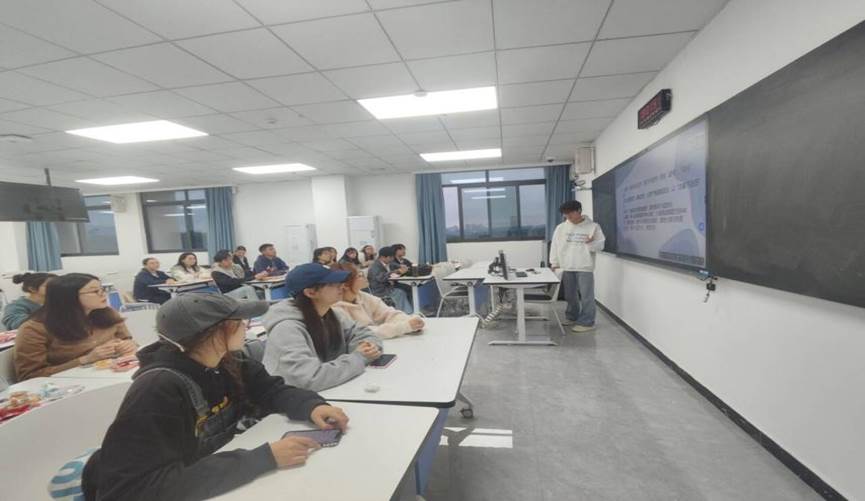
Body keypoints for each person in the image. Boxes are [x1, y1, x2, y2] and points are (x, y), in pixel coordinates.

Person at [81, 293, 349, 500]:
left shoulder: (227, 362)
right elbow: (137, 489)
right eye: (239, 322)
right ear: (214, 331)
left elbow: (271, 390)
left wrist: (311, 406)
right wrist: (262, 459)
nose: (246, 327)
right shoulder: (157, 390)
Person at [262, 263, 383, 391]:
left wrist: (366, 347)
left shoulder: (331, 314)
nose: (341, 286)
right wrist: (358, 357)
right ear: (310, 292)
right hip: (291, 397)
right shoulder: (286, 329)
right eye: (332, 284)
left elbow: (363, 333)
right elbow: (308, 379)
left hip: (331, 391)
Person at [14, 273, 136, 380]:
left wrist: (128, 345)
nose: (103, 294)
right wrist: (85, 360)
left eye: (102, 289)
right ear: (69, 297)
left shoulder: (107, 313)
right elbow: (29, 376)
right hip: (70, 384)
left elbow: (128, 339)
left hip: (114, 373)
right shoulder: (35, 328)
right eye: (95, 291)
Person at [549, 200, 606, 332]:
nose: (568, 217)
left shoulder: (593, 227)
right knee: (570, 295)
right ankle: (572, 317)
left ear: (579, 211)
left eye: (570, 213)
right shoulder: (561, 228)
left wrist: (591, 243)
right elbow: (555, 246)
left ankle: (587, 322)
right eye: (565, 214)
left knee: (586, 296)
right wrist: (554, 263)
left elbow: (600, 246)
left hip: (584, 266)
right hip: (567, 266)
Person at [332, 263, 424, 339]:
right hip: (361, 348)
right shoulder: (335, 308)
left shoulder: (362, 296)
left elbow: (388, 313)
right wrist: (404, 327)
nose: (365, 277)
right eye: (360, 276)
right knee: (400, 292)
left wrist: (410, 321)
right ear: (345, 285)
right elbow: (363, 333)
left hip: (376, 344)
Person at [367, 246, 413, 314]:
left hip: (388, 285)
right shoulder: (374, 266)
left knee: (408, 288)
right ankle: (404, 313)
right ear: (382, 257)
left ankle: (410, 310)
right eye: (390, 257)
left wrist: (400, 266)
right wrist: (397, 271)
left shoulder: (387, 263)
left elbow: (393, 264)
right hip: (380, 290)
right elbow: (381, 278)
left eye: (393, 257)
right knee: (400, 292)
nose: (392, 259)